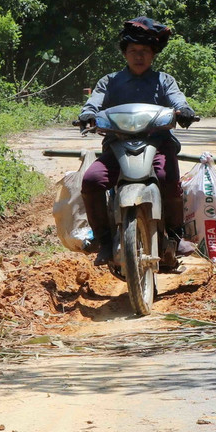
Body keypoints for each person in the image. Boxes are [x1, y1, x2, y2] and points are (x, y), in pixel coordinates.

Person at [77, 17, 197, 266]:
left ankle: (175, 237)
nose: (138, 56)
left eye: (144, 51)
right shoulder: (109, 81)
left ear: (153, 55)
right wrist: (87, 114)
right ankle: (105, 241)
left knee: (166, 178)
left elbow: (177, 99)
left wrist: (183, 110)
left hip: (158, 144)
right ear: (124, 54)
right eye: (133, 51)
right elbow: (94, 101)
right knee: (91, 181)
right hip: (117, 144)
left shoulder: (164, 80)